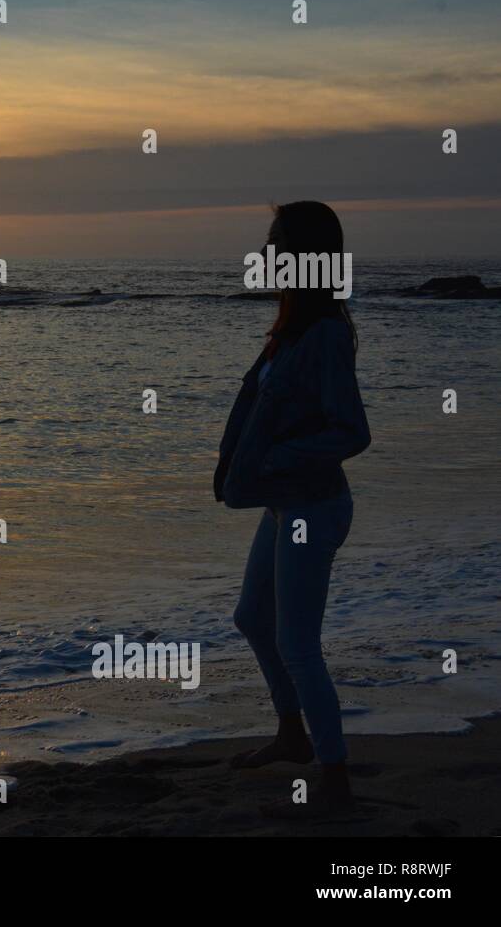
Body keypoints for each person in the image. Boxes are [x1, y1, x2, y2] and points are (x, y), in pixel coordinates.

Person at [214, 201, 371, 818]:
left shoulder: (327, 332)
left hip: (314, 505)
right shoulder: (292, 327)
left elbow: (351, 431)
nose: (268, 250)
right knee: (253, 619)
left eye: (278, 240)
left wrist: (278, 457)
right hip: (284, 504)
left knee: (298, 643)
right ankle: (291, 734)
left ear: (307, 252)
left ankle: (335, 775)